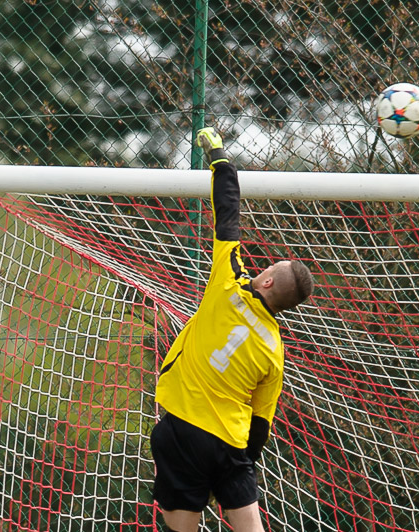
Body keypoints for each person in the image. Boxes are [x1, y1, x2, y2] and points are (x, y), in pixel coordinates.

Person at [150, 127, 314, 532]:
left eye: (269, 266)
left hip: (183, 429)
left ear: (268, 281)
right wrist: (237, 467)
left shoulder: (229, 285)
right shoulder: (274, 349)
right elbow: (261, 424)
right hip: (231, 446)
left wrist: (219, 156)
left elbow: (227, 212)